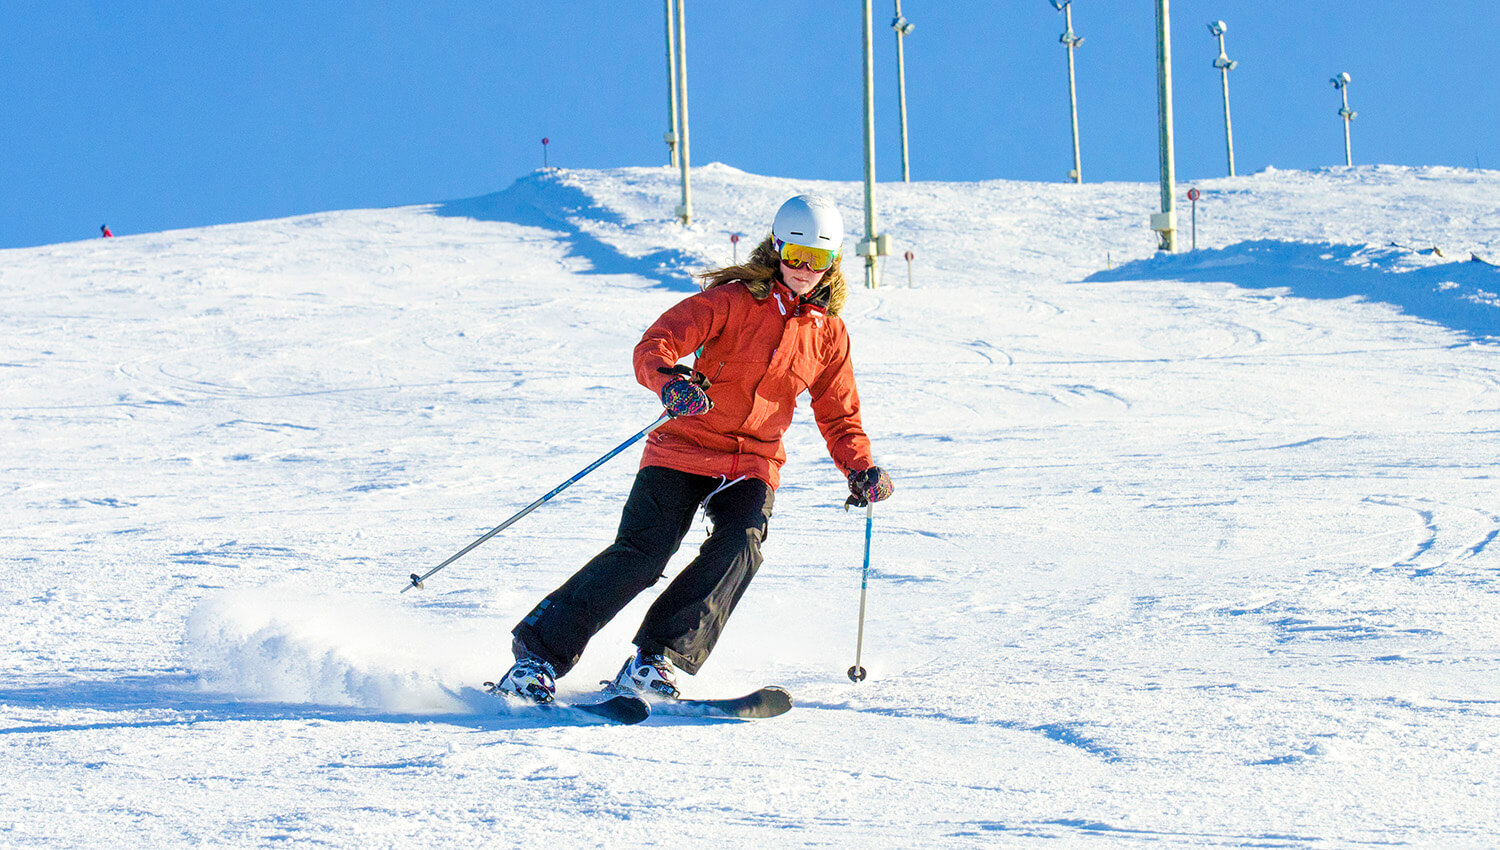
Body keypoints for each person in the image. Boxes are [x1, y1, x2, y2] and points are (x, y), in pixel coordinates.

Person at [490, 195, 895, 704]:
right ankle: (538, 657)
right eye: (795, 255)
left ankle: (653, 659)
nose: (804, 270)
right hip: (684, 445)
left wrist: (860, 467)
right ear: (776, 249)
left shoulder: (828, 334)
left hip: (753, 461)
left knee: (741, 544)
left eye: (818, 260)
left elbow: (839, 414)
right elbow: (656, 342)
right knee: (644, 554)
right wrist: (669, 383)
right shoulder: (731, 300)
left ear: (833, 263)